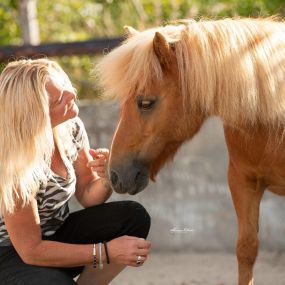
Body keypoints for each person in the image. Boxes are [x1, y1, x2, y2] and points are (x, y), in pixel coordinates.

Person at [0, 58, 151, 285]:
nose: (72, 95)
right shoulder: (12, 160)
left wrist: (106, 177)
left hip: (53, 234)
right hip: (11, 254)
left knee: (133, 217)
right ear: (36, 115)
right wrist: (106, 252)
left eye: (66, 87)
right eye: (60, 99)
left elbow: (88, 195)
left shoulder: (71, 127)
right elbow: (30, 250)